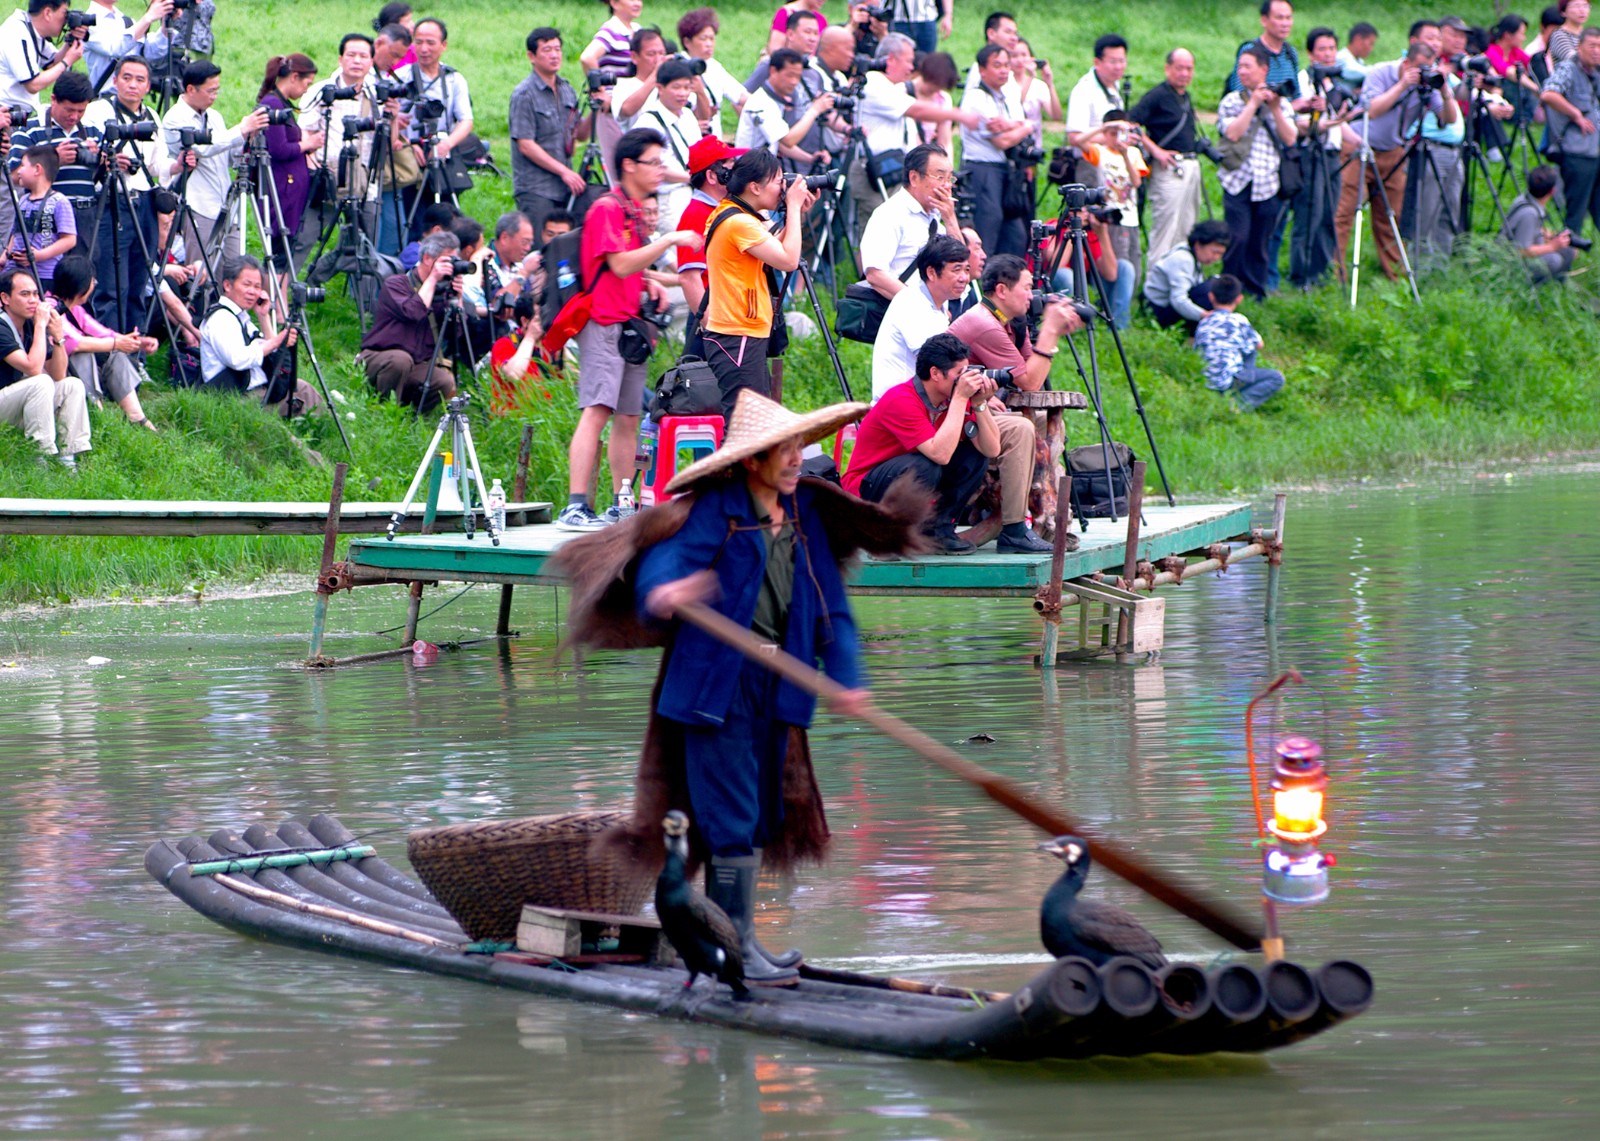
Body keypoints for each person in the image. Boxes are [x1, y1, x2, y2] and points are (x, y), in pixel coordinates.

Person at [552, 389, 927, 987]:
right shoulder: (717, 509)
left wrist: (849, 679)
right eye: (784, 449)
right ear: (753, 461)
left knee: (761, 816)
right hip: (714, 690)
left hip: (779, 689)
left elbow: (833, 609)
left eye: (799, 446)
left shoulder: (802, 513)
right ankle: (736, 947)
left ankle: (743, 938)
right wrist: (665, 594)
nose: (797, 458)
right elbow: (662, 565)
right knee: (731, 816)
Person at [559, 127, 701, 532]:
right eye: (654, 162)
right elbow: (618, 264)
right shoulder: (607, 208)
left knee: (628, 415)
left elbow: (628, 270)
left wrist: (651, 282)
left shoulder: (634, 210)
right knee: (597, 411)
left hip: (631, 326)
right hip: (604, 323)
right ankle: (575, 505)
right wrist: (671, 238)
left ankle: (623, 500)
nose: (660, 171)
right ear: (628, 165)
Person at [945, 254, 1084, 554]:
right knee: (1029, 431)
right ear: (1002, 290)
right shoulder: (985, 324)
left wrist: (1038, 330)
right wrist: (1049, 332)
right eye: (1027, 287)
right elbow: (1031, 382)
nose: (1032, 295)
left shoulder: (1007, 322)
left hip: (976, 408)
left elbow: (1027, 371)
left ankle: (1032, 522)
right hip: (953, 414)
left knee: (1041, 428)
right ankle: (1015, 526)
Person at [848, 331, 998, 553]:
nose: (966, 379)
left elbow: (991, 449)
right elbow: (940, 454)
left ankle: (940, 530)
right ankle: (887, 534)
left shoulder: (952, 397)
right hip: (867, 490)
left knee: (974, 457)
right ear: (935, 373)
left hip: (906, 478)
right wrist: (960, 398)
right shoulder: (900, 400)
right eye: (960, 373)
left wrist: (979, 403)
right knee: (927, 465)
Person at [700, 148, 814, 419]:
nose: (782, 188)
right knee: (745, 424)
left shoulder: (737, 215)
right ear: (754, 187)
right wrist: (794, 208)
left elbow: (775, 253)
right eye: (778, 182)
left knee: (752, 423)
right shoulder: (739, 222)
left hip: (741, 332)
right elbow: (788, 261)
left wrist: (796, 213)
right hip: (737, 334)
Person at [1336, 43, 1455, 282]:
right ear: (1406, 63)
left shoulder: (1426, 85)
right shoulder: (1381, 73)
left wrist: (1444, 91)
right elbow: (1372, 111)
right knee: (1346, 211)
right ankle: (1336, 273)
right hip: (1359, 145)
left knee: (1391, 215)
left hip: (1393, 152)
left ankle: (1394, 275)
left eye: (1428, 68)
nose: (1423, 73)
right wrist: (1402, 85)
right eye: (1419, 68)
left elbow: (1449, 118)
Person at [849, 32, 982, 234]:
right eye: (909, 61)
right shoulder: (873, 82)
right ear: (891, 59)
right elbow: (916, 110)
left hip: (891, 169)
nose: (912, 68)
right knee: (877, 234)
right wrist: (960, 115)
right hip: (873, 171)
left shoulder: (892, 87)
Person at [84, 56, 175, 331]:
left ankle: (134, 350)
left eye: (139, 80)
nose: (132, 85)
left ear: (148, 86)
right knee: (112, 284)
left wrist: (180, 164)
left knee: (139, 279)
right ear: (115, 80)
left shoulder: (152, 116)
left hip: (144, 202)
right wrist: (109, 158)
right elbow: (86, 148)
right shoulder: (99, 110)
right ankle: (110, 353)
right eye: (126, 78)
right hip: (113, 199)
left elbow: (158, 166)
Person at [161, 60, 268, 260]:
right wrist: (241, 129)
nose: (214, 96)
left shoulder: (214, 116)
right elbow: (202, 149)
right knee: (203, 272)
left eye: (217, 90)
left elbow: (228, 156)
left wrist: (247, 138)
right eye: (210, 91)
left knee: (234, 267)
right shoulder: (174, 118)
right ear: (191, 89)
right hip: (198, 205)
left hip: (225, 204)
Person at [1217, 43, 1298, 300]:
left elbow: (1290, 138)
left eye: (1247, 67)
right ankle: (1229, 290)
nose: (1241, 72)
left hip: (1267, 183)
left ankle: (1255, 292)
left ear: (1264, 69)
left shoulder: (1281, 103)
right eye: (1239, 66)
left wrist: (1274, 108)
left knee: (1260, 242)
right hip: (1237, 180)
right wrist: (1252, 104)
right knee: (1237, 238)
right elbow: (1232, 133)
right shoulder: (1232, 101)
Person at [199, 254, 320, 413]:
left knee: (304, 389)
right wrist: (276, 341)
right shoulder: (221, 318)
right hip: (238, 397)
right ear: (228, 285)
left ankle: (324, 430)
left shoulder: (241, 317)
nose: (253, 292)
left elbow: (272, 354)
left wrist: (264, 317)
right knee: (300, 398)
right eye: (247, 284)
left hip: (258, 389)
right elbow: (237, 359)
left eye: (257, 287)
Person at [48, 254, 156, 429]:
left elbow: (101, 332)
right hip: (57, 376)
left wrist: (136, 342)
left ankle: (137, 418)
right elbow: (74, 342)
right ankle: (96, 413)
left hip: (72, 373)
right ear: (81, 286)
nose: (94, 285)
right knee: (83, 354)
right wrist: (116, 344)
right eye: (92, 282)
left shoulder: (75, 309)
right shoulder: (51, 308)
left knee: (115, 354)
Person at [358, 229, 461, 410]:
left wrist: (457, 299)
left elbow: (456, 335)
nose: (450, 267)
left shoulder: (443, 291)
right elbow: (413, 312)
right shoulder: (396, 284)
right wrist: (433, 279)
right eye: (446, 261)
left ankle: (412, 417)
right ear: (428, 258)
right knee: (400, 360)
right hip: (379, 357)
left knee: (442, 380)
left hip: (415, 364)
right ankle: (382, 410)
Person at [0, 264, 88, 466]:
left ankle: (68, 459)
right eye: (24, 294)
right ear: (5, 298)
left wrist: (58, 338)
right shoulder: (2, 326)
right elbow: (32, 368)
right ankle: (40, 457)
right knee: (40, 382)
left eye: (34, 294)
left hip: (15, 402)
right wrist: (41, 325)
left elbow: (58, 375)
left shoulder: (30, 324)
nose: (33, 300)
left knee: (72, 385)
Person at [395, 17, 473, 235]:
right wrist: (411, 144)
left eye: (430, 43)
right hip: (410, 160)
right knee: (415, 220)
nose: (424, 49)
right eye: (418, 42)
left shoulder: (454, 79)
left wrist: (446, 144)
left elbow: (466, 119)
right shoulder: (400, 78)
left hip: (443, 156)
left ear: (443, 45)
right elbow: (390, 117)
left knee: (447, 218)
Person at [255, 54, 324, 299]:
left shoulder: (280, 104)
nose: (306, 90)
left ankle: (280, 307)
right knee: (280, 252)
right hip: (281, 192)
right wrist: (308, 143)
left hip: (288, 189)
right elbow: (278, 149)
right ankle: (274, 306)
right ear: (294, 77)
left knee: (284, 253)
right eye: (306, 84)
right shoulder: (273, 105)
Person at [870, 233, 968, 401]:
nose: (964, 278)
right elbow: (940, 361)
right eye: (956, 270)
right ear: (931, 273)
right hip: (900, 407)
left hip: (927, 403)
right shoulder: (911, 303)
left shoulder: (939, 304)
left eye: (966, 269)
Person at [509, 27, 587, 238]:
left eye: (558, 49)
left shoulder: (567, 89)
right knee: (540, 252)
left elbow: (580, 134)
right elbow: (525, 144)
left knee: (567, 247)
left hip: (565, 187)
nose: (554, 55)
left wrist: (599, 110)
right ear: (531, 56)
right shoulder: (524, 94)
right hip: (536, 188)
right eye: (547, 50)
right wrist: (564, 171)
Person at [8, 69, 101, 245]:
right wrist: (53, 158)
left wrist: (100, 157)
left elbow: (105, 173)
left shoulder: (92, 130)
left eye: (81, 111)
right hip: (45, 213)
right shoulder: (30, 129)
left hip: (85, 215)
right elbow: (14, 176)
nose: (74, 116)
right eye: (69, 110)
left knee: (83, 270)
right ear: (53, 100)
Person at [1070, 109, 1145, 325]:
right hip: (1109, 217)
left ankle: (1123, 308)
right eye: (1112, 133)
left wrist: (1124, 153)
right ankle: (1112, 313)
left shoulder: (1133, 153)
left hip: (1130, 216)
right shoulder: (1099, 151)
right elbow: (1078, 141)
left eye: (1119, 132)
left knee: (1133, 265)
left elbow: (1137, 182)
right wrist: (1102, 130)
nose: (1115, 137)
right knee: (1116, 264)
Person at [1132, 48, 1206, 267]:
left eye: (1189, 69)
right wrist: (1155, 150)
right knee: (1165, 229)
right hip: (1169, 168)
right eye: (1179, 68)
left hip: (1190, 165)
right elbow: (1130, 123)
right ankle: (1156, 282)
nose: (1184, 73)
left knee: (1186, 227)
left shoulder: (1185, 96)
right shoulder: (1157, 95)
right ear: (1167, 69)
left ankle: (1179, 277)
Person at [1291, 27, 1352, 287]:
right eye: (1322, 49)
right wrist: (1336, 120)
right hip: (1310, 152)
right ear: (1310, 53)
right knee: (1309, 215)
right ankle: (1301, 275)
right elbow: (1304, 125)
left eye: (1331, 48)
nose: (1328, 54)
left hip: (1332, 154)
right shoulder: (1304, 80)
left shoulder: (1335, 82)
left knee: (1329, 215)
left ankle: (1321, 273)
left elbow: (1341, 122)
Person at [959, 44, 1033, 258]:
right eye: (997, 65)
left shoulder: (1007, 96)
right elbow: (1003, 141)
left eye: (1006, 65)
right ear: (982, 70)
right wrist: (1024, 126)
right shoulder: (976, 98)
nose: (1004, 70)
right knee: (987, 232)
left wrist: (1018, 124)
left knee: (1016, 236)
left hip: (1006, 171)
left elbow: (1018, 126)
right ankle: (979, 286)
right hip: (982, 170)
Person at [860, 142, 959, 298]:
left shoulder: (936, 218)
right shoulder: (890, 214)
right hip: (895, 315)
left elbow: (959, 265)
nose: (947, 186)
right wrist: (920, 305)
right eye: (940, 177)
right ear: (914, 178)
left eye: (950, 178)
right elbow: (875, 274)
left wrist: (951, 219)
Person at [1541, 28, 1600, 237]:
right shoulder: (1568, 68)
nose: (1596, 51)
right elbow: (1548, 94)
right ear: (1579, 47)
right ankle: (1565, 258)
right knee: (1575, 214)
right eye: (1592, 46)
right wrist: (1575, 113)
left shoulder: (1597, 73)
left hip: (1596, 151)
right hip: (1577, 152)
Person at [1193, 273, 1283, 411]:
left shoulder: (1203, 322)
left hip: (1205, 379)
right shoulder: (1239, 320)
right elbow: (1260, 344)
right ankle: (1239, 404)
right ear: (1239, 299)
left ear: (1211, 296)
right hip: (1230, 380)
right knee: (1276, 377)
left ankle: (1219, 398)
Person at [675, 135, 742, 315]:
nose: (736, 173)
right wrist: (709, 325)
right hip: (713, 318)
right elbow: (689, 277)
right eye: (730, 166)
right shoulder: (696, 214)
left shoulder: (724, 207)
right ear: (712, 176)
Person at [735, 48, 834, 167]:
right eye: (790, 75)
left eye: (798, 77)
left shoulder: (775, 100)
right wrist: (814, 110)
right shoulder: (761, 102)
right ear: (773, 71)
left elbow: (779, 142)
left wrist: (810, 159)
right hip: (749, 174)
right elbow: (788, 140)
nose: (794, 82)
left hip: (761, 172)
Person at [639, 58, 703, 228]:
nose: (683, 93)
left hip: (695, 191)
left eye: (687, 87)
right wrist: (693, 178)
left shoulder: (688, 115)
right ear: (660, 88)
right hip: (670, 196)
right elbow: (655, 167)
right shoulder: (648, 121)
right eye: (676, 87)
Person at [1144, 218, 1229, 335]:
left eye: (1220, 254)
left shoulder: (1192, 254)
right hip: (1159, 308)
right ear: (1198, 245)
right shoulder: (1183, 260)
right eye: (1214, 252)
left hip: (1167, 304)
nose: (1216, 258)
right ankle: (1194, 335)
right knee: (1208, 291)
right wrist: (1205, 315)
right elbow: (1178, 299)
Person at [0, 0, 86, 116]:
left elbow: (52, 63)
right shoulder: (16, 33)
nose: (66, 20)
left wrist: (70, 42)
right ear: (48, 13)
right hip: (5, 116)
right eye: (64, 14)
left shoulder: (30, 28)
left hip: (17, 115)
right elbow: (33, 84)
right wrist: (67, 62)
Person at [1501, 163, 1577, 282]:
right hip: (1512, 261)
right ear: (1552, 191)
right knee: (1554, 260)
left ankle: (1558, 281)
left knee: (1570, 251)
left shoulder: (1524, 199)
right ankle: (1529, 284)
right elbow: (1522, 250)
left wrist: (1545, 234)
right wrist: (1552, 246)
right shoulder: (1530, 214)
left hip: (1512, 246)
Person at [82, 0, 173, 93]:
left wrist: (166, 26)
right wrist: (148, 17)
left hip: (135, 98)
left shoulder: (125, 20)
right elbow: (115, 48)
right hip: (105, 99)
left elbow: (151, 53)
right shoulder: (88, 22)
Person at [677, 8, 746, 122]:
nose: (709, 44)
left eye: (712, 39)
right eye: (703, 39)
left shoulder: (714, 66)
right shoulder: (677, 67)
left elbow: (740, 95)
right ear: (687, 42)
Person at [1065, 34, 1127, 157]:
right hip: (1088, 163)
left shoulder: (1115, 85)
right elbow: (1074, 137)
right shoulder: (1083, 91)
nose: (1118, 67)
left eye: (1122, 61)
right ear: (1097, 62)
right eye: (1113, 61)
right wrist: (1116, 138)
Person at [746, 8, 822, 91]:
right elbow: (742, 97)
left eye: (816, 33)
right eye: (807, 32)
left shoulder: (814, 71)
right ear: (790, 34)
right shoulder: (771, 65)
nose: (813, 39)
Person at [913, 50, 960, 149]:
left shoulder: (943, 99)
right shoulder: (903, 91)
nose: (936, 90)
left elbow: (944, 142)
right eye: (934, 85)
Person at [1549, 0, 1588, 66]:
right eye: (1576, 6)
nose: (1582, 10)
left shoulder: (1587, 34)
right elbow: (1574, 61)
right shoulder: (1559, 35)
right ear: (1563, 12)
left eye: (1585, 6)